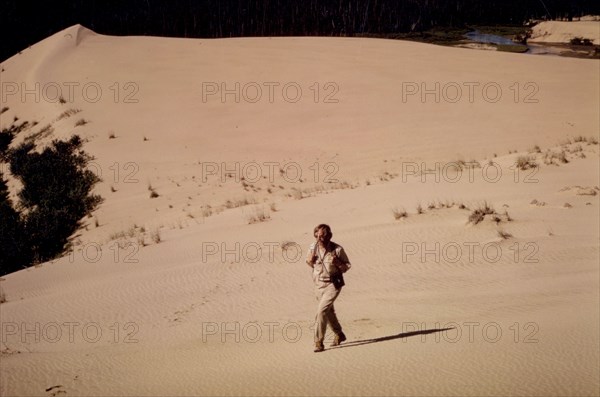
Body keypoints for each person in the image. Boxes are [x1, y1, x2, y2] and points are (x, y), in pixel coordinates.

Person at [306, 224, 351, 352]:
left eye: (323, 235)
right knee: (328, 312)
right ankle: (339, 334)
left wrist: (338, 263)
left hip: (333, 285)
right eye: (318, 236)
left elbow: (346, 267)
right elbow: (309, 263)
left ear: (329, 236)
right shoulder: (312, 248)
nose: (320, 238)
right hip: (318, 285)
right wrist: (310, 261)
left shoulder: (337, 249)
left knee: (321, 312)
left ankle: (318, 342)